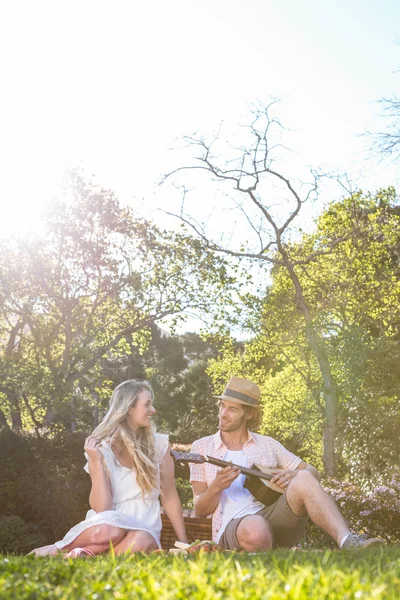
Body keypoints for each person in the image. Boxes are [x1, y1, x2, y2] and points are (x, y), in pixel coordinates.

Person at [190, 376, 384, 551]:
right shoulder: (202, 448)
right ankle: (278, 552)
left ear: (249, 414)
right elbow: (200, 509)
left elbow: (312, 472)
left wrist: (294, 475)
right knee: (256, 527)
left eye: (232, 409)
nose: (223, 413)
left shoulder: (268, 445)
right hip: (234, 526)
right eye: (222, 406)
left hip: (276, 518)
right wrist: (216, 487)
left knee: (304, 476)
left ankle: (348, 541)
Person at [31, 379, 187, 556]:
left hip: (145, 527)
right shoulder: (101, 450)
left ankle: (82, 556)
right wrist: (97, 462)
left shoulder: (159, 445)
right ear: (129, 408)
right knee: (112, 530)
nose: (153, 410)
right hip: (109, 526)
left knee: (141, 542)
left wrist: (184, 542)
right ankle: (57, 550)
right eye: (147, 405)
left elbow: (170, 496)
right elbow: (103, 509)